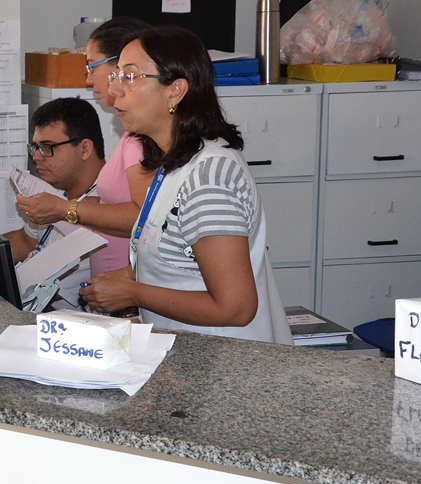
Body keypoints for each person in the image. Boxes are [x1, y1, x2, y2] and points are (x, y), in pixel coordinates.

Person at [78, 27, 292, 344]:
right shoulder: (172, 163)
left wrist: (132, 292)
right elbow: (184, 265)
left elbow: (236, 308)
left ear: (175, 91)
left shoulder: (209, 176)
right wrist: (128, 278)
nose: (115, 91)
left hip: (231, 368)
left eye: (130, 77)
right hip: (192, 357)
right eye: (116, 76)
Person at [16, 17, 151, 276]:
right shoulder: (131, 134)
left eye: (92, 67)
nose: (89, 80)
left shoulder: (141, 140)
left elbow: (147, 220)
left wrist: (66, 209)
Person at [4, 98, 105, 305]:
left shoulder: (106, 206)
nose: (37, 158)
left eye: (48, 148)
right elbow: (25, 241)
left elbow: (50, 289)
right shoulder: (57, 193)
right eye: (36, 148)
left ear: (85, 149)